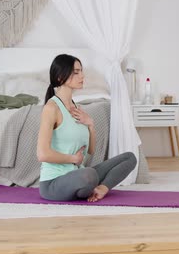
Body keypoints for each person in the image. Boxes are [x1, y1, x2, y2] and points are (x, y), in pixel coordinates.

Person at [37, 54, 137, 202]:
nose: (82, 76)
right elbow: (42, 154)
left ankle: (101, 189)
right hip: (54, 183)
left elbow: (90, 151)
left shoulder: (77, 108)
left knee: (130, 157)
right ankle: (89, 184)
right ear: (60, 77)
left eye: (81, 71)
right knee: (89, 174)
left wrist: (90, 125)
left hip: (79, 173)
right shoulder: (51, 108)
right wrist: (72, 159)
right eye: (76, 72)